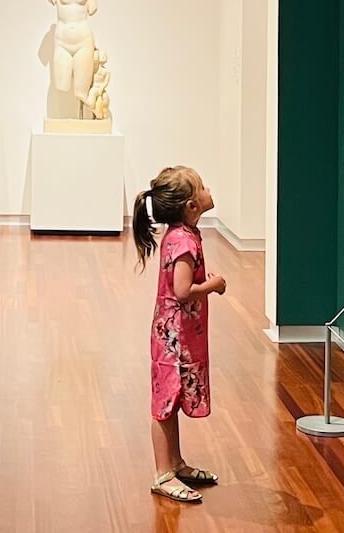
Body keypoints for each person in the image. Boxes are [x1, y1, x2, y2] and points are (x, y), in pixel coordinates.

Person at [133, 166, 226, 504]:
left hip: (179, 336)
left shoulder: (182, 234)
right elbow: (183, 290)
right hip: (173, 341)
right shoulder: (183, 240)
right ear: (191, 205)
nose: (209, 188)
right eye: (202, 186)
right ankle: (163, 474)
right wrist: (213, 286)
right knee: (165, 404)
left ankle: (175, 464)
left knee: (171, 402)